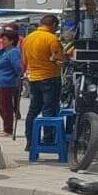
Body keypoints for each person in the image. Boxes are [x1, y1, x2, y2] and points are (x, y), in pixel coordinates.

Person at [21, 13, 66, 143]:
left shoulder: (27, 39)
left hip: (33, 78)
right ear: (53, 25)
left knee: (33, 110)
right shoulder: (51, 39)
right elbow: (59, 58)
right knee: (49, 109)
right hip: (50, 77)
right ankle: (48, 139)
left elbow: (24, 60)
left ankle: (30, 141)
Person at [0, 30, 24, 138]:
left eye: (5, 39)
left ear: (12, 41)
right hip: (1, 84)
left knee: (6, 107)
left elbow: (18, 67)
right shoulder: (4, 51)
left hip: (8, 83)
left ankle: (8, 129)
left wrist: (19, 76)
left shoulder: (13, 52)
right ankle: (6, 127)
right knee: (2, 107)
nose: (2, 41)